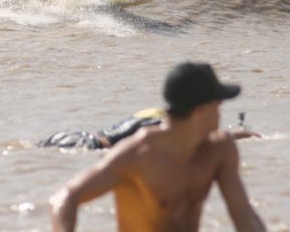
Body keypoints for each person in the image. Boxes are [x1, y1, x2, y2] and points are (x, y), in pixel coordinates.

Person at [49, 62, 266, 232]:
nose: (220, 112)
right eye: (218, 104)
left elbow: (243, 215)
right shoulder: (138, 154)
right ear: (200, 111)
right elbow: (66, 197)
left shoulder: (220, 149)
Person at [39, 107, 261, 150]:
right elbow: (204, 140)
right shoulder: (168, 125)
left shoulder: (155, 112)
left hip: (72, 135)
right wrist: (241, 135)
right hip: (88, 145)